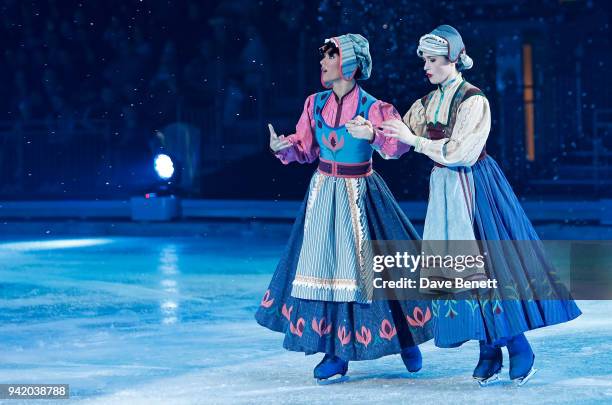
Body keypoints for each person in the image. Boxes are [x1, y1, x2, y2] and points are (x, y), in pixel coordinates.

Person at [379, 24, 581, 386]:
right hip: (444, 189)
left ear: (453, 60)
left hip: (474, 187)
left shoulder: (474, 99)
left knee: (488, 268)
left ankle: (517, 345)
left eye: (433, 60)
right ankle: (488, 348)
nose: (426, 66)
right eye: (424, 59)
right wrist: (374, 135)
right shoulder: (426, 102)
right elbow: (398, 142)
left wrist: (417, 141)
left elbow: (461, 152)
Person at [255, 34, 433, 383]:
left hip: (362, 193)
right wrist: (284, 146)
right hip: (324, 194)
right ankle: (335, 352)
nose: (322, 62)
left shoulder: (375, 107)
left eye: (330, 56)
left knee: (380, 273)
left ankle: (406, 338)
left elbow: (397, 147)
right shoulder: (314, 104)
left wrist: (373, 136)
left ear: (348, 64)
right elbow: (306, 147)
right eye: (323, 56)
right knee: (329, 271)